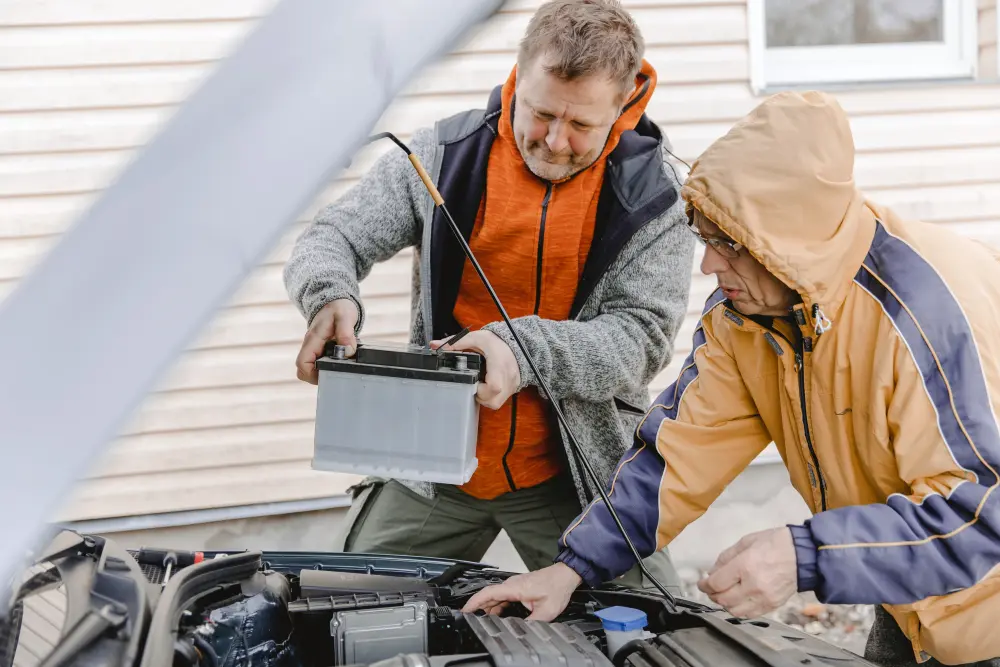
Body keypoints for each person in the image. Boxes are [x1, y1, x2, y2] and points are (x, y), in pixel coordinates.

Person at [462, 90, 1000, 667]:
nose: (709, 265)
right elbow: (679, 453)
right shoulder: (746, 316)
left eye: (730, 245)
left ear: (789, 237)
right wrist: (572, 569)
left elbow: (981, 519)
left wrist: (804, 557)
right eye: (705, 237)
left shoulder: (925, 319)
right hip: (907, 596)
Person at [283, 0, 694, 590]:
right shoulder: (441, 158)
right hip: (431, 468)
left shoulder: (655, 197)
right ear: (515, 79)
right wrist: (329, 296)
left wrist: (517, 349)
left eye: (582, 126)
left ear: (626, 105)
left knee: (658, 635)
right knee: (340, 602)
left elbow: (639, 340)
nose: (555, 141)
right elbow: (334, 236)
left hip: (575, 475)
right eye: (542, 113)